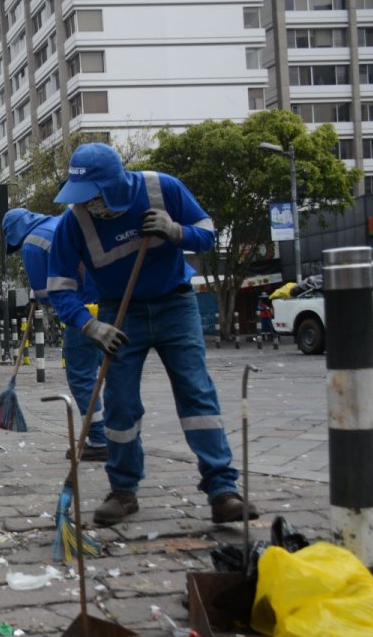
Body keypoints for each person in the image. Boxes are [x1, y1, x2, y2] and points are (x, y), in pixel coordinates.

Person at [45, 142, 258, 526]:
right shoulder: (73, 222)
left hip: (176, 304)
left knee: (196, 391)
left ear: (113, 185)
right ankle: (123, 491)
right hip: (119, 315)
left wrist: (176, 231)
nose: (86, 205)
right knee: (121, 402)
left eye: (92, 196)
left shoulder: (163, 188)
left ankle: (222, 490)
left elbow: (208, 233)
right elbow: (59, 286)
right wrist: (90, 326)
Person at [1, 208, 107, 461]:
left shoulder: (31, 243)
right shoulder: (61, 221)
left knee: (81, 375)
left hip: (83, 311)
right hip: (110, 305)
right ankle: (121, 436)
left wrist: (37, 296)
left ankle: (100, 439)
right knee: (112, 371)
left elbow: (48, 292)